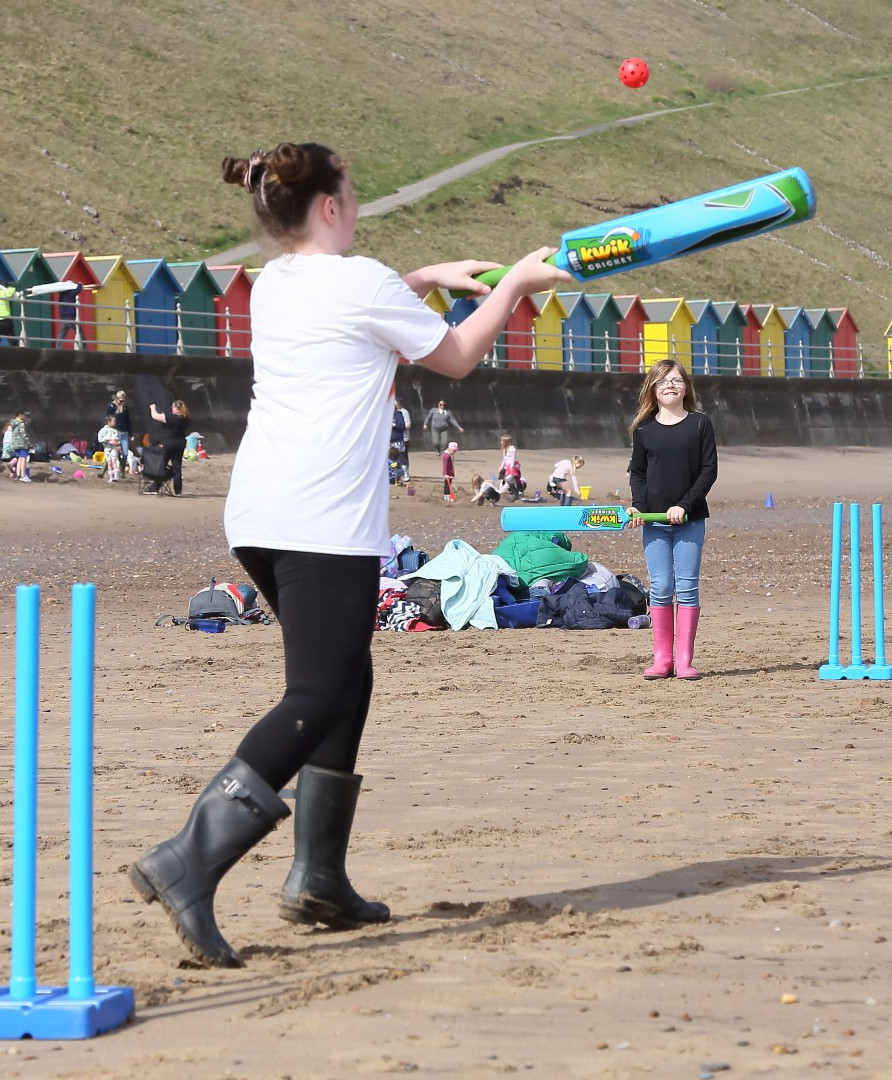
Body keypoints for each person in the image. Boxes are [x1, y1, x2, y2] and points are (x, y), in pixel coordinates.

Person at [127, 140, 569, 969]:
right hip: (321, 518)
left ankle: (318, 878)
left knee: (345, 681)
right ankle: (190, 858)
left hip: (260, 514)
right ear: (328, 205)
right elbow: (457, 357)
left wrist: (426, 278)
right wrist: (512, 284)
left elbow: (363, 312)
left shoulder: (277, 284)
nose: (359, 205)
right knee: (320, 692)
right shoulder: (359, 282)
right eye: (353, 194)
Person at [627, 361, 717, 680]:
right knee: (662, 587)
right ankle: (662, 660)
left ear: (686, 387)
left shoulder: (700, 424)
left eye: (676, 380)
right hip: (653, 521)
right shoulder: (644, 430)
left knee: (687, 588)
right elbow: (637, 472)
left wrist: (684, 505)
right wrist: (638, 507)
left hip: (690, 520)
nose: (670, 386)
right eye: (663, 381)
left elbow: (709, 471)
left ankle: (684, 662)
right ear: (653, 388)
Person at [145, 400, 191, 496]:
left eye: (173, 407)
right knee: (177, 468)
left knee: (160, 466)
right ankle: (178, 491)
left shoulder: (172, 418)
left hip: (169, 444)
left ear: (176, 408)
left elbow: (155, 416)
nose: (172, 408)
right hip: (180, 444)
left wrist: (152, 408)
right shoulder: (186, 419)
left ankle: (155, 488)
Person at [105, 391, 133, 476]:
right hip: (114, 432)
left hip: (124, 432)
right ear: (116, 399)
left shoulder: (124, 408)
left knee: (125, 453)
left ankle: (122, 471)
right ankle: (105, 471)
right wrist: (108, 431)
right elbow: (107, 418)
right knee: (112, 452)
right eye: (120, 401)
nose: (122, 402)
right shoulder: (111, 406)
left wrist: (131, 433)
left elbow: (128, 421)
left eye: (123, 401)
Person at [388, 403, 411, 484]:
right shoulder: (385, 415)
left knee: (401, 458)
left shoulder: (398, 415)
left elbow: (402, 427)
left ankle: (405, 474)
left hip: (397, 440)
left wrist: (394, 425)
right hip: (388, 441)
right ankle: (391, 476)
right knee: (389, 459)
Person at [7, 409, 31, 482]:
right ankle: (23, 475)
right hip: (22, 444)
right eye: (24, 415)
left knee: (19, 459)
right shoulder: (21, 423)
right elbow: (23, 435)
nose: (25, 416)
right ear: (20, 415)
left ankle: (18, 475)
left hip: (16, 444)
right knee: (23, 459)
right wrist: (29, 443)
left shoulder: (13, 423)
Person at [498, 434, 524, 500]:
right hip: (507, 467)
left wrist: (512, 468)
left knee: (509, 480)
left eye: (502, 441)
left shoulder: (512, 449)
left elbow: (512, 459)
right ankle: (503, 491)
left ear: (506, 442)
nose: (501, 442)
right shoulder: (505, 450)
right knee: (503, 479)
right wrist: (500, 468)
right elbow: (504, 459)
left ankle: (514, 493)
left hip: (512, 468)